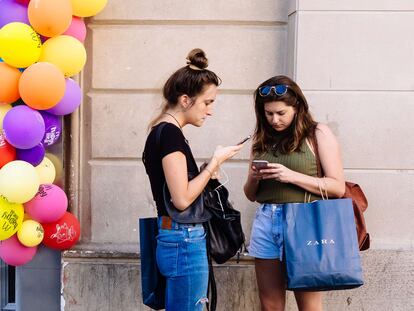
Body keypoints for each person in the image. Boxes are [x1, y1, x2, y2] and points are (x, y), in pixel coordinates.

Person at [142, 48, 244, 311]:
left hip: (174, 235)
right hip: (183, 237)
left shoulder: (161, 132)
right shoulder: (170, 135)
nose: (210, 111)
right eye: (207, 102)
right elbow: (182, 199)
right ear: (186, 100)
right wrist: (213, 165)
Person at [244, 75, 345, 311]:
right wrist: (254, 179)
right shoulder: (261, 137)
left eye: (281, 113)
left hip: (305, 221)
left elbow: (337, 187)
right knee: (270, 305)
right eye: (268, 114)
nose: (274, 120)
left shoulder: (317, 133)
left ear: (297, 107)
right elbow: (250, 194)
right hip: (267, 220)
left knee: (308, 306)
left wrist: (290, 176)